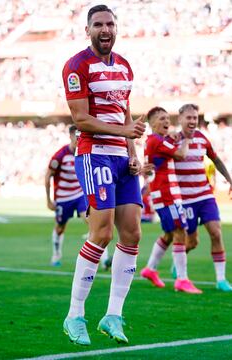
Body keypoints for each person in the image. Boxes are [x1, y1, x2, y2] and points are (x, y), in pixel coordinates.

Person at [61, 5, 146, 346]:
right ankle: (74, 315)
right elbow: (81, 119)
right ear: (88, 31)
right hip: (94, 154)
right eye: (98, 24)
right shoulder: (77, 66)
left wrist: (133, 152)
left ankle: (113, 315)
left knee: (133, 233)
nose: (104, 29)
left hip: (121, 159)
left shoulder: (124, 66)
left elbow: (124, 108)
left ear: (116, 28)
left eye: (110, 23)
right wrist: (124, 129)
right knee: (101, 233)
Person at [174, 104, 232, 292]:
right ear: (180, 119)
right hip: (185, 200)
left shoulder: (202, 139)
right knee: (191, 242)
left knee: (216, 232)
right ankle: (179, 261)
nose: (193, 121)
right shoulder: (173, 140)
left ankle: (221, 279)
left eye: (195, 118)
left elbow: (216, 160)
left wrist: (230, 181)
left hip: (204, 195)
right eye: (189, 118)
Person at [140, 107, 202, 294]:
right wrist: (187, 139)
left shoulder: (157, 140)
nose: (167, 121)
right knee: (180, 232)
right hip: (166, 193)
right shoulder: (156, 140)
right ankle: (182, 280)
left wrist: (173, 137)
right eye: (161, 118)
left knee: (169, 234)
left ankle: (150, 269)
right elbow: (181, 154)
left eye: (167, 118)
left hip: (165, 191)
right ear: (151, 124)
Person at [45, 125, 87, 267]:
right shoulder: (60, 156)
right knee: (60, 227)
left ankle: (104, 259)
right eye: (76, 136)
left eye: (81, 137)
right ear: (70, 136)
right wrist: (49, 200)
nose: (78, 140)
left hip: (80, 195)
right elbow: (47, 176)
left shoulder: (84, 153)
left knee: (92, 222)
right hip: (63, 198)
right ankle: (56, 255)